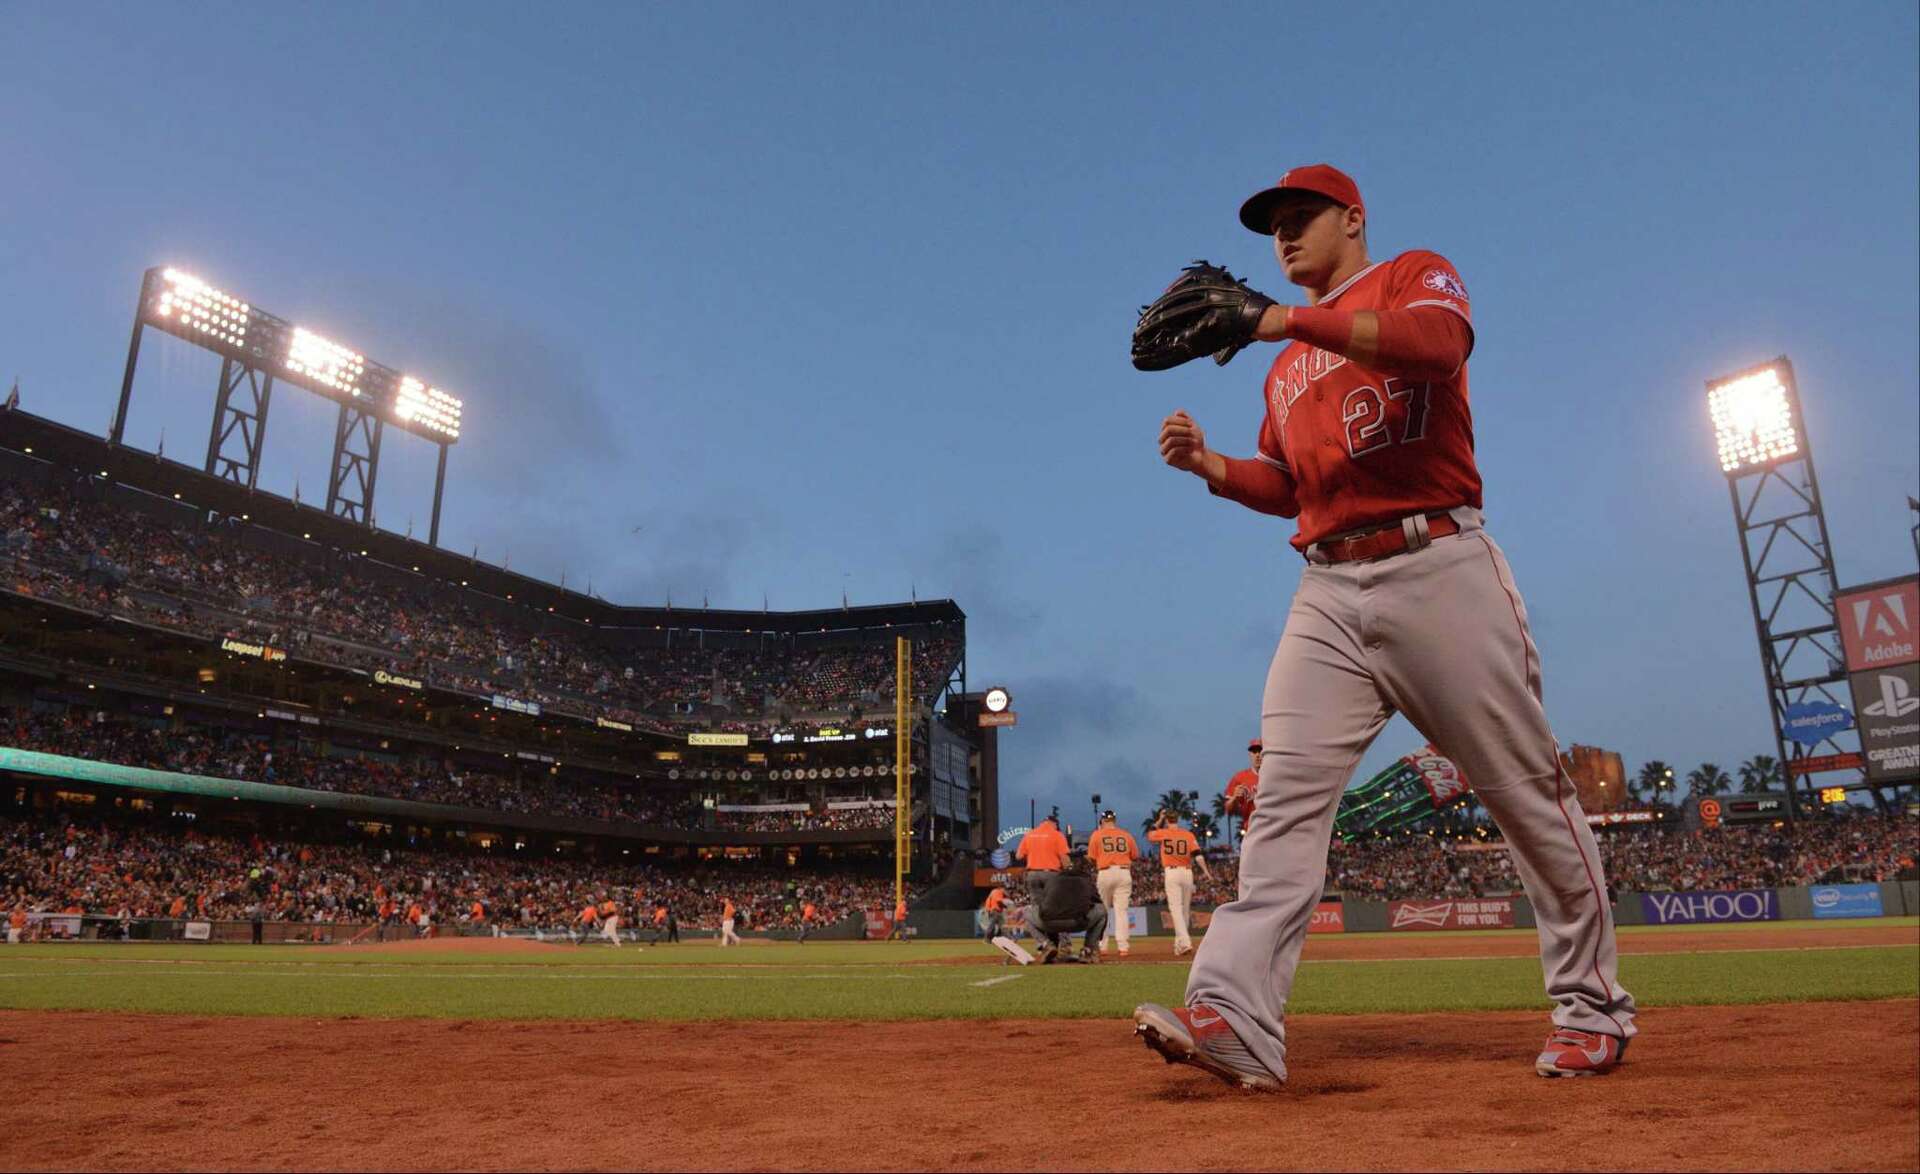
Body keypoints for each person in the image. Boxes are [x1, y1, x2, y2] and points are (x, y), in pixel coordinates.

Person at [1136, 163, 1636, 1090]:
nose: (1282, 237)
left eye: (1301, 217)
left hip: (1439, 563)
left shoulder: (1413, 273)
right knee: (1284, 799)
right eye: (1272, 225)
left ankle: (1591, 1007)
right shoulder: (1283, 367)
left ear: (1353, 220)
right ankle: (1236, 1014)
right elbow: (1293, 488)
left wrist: (1281, 319)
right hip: (1327, 587)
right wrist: (1212, 464)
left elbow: (1437, 348)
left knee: (1525, 790)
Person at [1147, 809, 1215, 956]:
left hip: (1172, 872)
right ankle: (1179, 944)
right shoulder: (1187, 834)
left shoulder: (1163, 832)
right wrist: (1206, 872)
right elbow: (1198, 856)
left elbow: (1150, 834)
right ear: (1177, 819)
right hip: (1187, 873)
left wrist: (1159, 819)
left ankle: (1184, 942)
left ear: (1167, 820)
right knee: (1185, 910)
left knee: (1176, 909)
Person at [1022, 849, 1106, 964]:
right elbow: (1097, 902)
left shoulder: (1053, 879)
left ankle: (1046, 944)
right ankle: (1088, 950)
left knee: (1027, 912)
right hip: (1077, 923)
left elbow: (1045, 906)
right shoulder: (1085, 880)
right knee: (1102, 910)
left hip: (1050, 924)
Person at [1087, 810, 1140, 957]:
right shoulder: (1126, 834)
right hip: (1123, 872)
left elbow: (1091, 857)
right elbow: (1135, 855)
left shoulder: (1097, 834)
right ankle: (1123, 947)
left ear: (1102, 821)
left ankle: (1102, 946)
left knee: (1102, 911)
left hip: (1105, 872)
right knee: (1121, 912)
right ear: (1114, 820)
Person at [1014, 813, 1069, 920]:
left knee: (1037, 907)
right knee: (1054, 905)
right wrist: (1068, 870)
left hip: (1033, 874)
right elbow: (1065, 858)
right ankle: (1055, 933)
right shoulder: (1057, 835)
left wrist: (1033, 856)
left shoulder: (1029, 834)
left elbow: (1018, 856)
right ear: (1055, 824)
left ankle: (1040, 932)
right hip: (1051, 874)